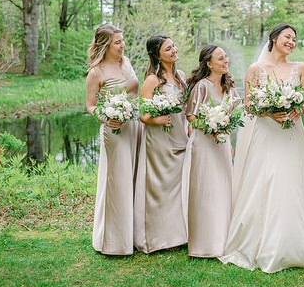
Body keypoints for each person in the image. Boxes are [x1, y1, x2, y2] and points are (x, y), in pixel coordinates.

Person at [220, 23, 304, 272]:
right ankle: (259, 244)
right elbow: (249, 105)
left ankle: (296, 243)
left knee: (292, 182)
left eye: (295, 39)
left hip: (291, 134)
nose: (292, 42)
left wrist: (296, 110)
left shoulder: (300, 68)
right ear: (274, 38)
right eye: (287, 37)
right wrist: (270, 113)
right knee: (264, 181)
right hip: (266, 134)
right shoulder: (256, 70)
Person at [86, 23, 143, 256]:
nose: (122, 45)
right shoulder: (96, 72)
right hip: (115, 131)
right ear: (105, 45)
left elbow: (135, 92)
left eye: (122, 41)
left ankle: (134, 235)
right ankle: (114, 242)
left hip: (134, 127)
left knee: (134, 178)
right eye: (117, 42)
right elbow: (90, 105)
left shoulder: (126, 62)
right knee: (116, 182)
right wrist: (106, 118)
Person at [184, 45, 241, 258]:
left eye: (226, 56)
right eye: (220, 58)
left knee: (224, 189)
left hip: (222, 144)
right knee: (205, 191)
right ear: (209, 63)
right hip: (204, 144)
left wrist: (225, 134)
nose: (225, 60)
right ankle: (204, 244)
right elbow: (191, 115)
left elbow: (233, 115)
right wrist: (211, 127)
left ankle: (224, 239)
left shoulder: (229, 87)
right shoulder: (202, 86)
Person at [135, 34, 188, 253]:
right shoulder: (151, 80)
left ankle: (177, 236)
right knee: (160, 186)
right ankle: (157, 238)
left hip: (180, 134)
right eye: (168, 48)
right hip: (159, 138)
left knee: (177, 185)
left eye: (174, 46)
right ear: (157, 55)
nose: (174, 50)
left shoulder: (182, 76)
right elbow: (143, 115)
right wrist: (157, 119)